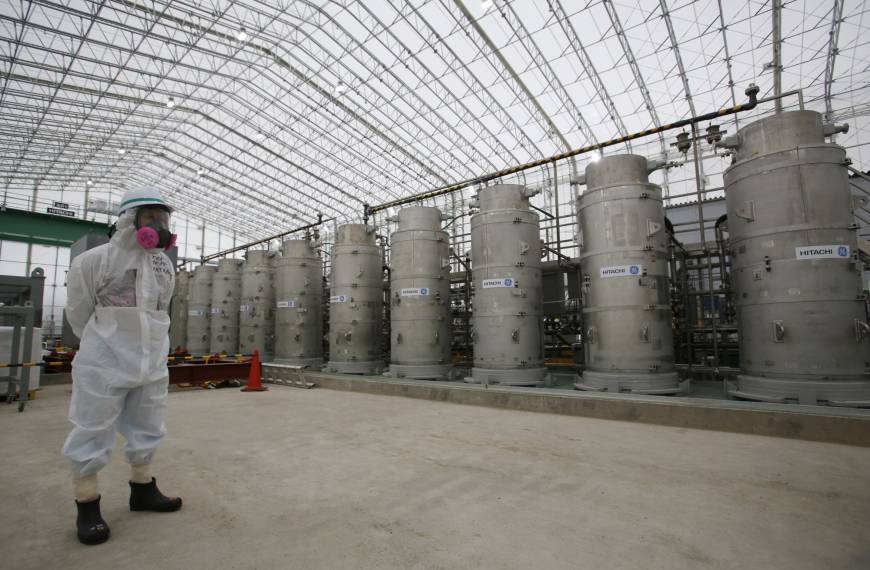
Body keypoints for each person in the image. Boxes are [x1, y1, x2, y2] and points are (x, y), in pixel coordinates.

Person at [62, 186, 182, 545]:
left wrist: (151, 348)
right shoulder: (94, 261)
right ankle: (87, 503)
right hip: (105, 361)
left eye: (164, 219)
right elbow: (78, 313)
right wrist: (104, 343)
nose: (159, 225)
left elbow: (160, 308)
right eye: (151, 217)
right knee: (92, 427)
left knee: (149, 423)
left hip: (152, 359)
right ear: (130, 220)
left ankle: (142, 488)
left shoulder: (163, 264)